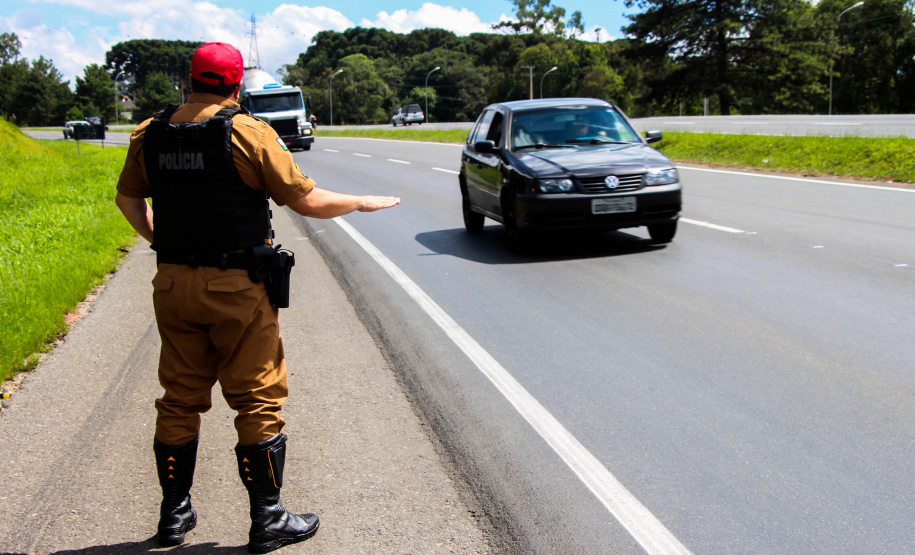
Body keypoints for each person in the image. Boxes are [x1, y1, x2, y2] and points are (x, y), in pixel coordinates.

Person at [114, 42, 400, 553]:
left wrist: (162, 243)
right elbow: (306, 200)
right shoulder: (249, 132)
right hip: (235, 287)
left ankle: (174, 513)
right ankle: (268, 519)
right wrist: (359, 201)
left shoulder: (148, 133)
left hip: (173, 283)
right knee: (257, 398)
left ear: (190, 80)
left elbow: (128, 199)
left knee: (179, 398)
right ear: (236, 85)